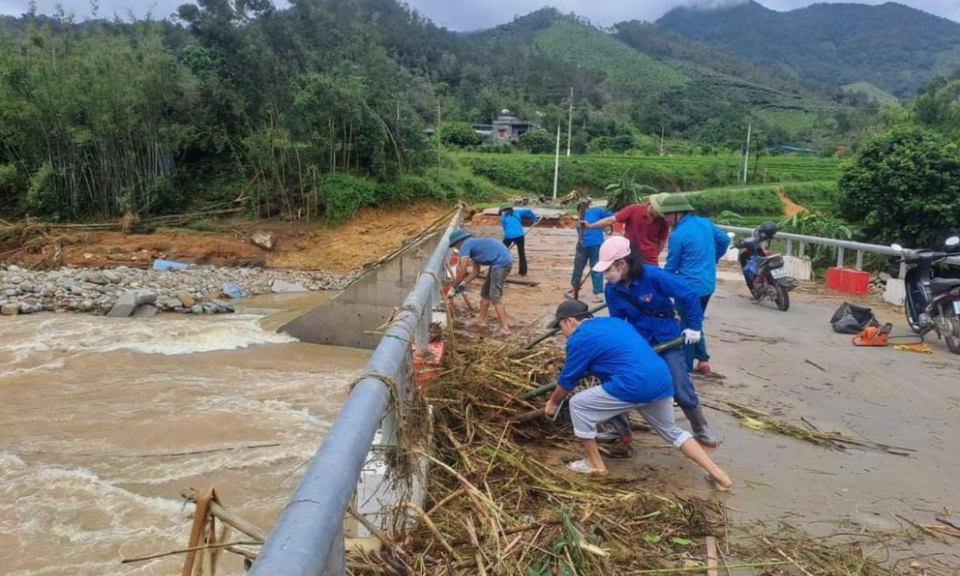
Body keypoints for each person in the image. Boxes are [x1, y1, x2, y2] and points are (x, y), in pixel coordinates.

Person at [542, 299, 732, 488]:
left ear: (570, 321)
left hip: (633, 384)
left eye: (561, 328)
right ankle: (718, 473)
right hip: (660, 378)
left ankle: (594, 463)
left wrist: (552, 402)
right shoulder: (615, 323)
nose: (563, 334)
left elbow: (567, 379)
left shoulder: (579, 338)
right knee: (672, 431)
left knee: (578, 404)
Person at [593, 235, 718, 447]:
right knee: (612, 376)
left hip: (666, 337)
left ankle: (701, 429)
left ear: (622, 264)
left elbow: (687, 294)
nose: (606, 276)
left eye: (608, 270)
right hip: (639, 341)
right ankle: (620, 429)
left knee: (679, 386)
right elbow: (618, 321)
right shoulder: (612, 290)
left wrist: (695, 326)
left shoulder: (653, 276)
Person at [651, 193, 731, 375]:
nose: (665, 219)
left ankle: (684, 369)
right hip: (707, 285)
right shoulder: (704, 223)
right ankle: (703, 361)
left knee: (687, 327)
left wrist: (659, 287)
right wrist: (714, 257)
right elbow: (725, 239)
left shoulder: (678, 235)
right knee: (695, 320)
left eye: (667, 215)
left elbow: (671, 266)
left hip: (688, 288)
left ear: (678, 213)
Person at [447, 229, 513, 336]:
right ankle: (481, 321)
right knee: (485, 293)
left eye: (455, 246)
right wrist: (464, 283)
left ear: (458, 242)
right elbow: (475, 271)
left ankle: (505, 328)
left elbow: (462, 271)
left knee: (495, 296)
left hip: (501, 263)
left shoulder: (465, 246)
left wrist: (453, 288)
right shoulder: (473, 246)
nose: (456, 249)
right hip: (497, 262)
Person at [583, 198, 668, 265]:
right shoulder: (633, 210)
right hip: (629, 256)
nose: (660, 216)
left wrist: (654, 255)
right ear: (653, 205)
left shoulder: (663, 221)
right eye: (659, 212)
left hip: (650, 260)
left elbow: (662, 242)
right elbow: (610, 220)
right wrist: (591, 226)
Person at [567, 199, 613, 303]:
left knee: (578, 267)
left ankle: (574, 292)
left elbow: (580, 233)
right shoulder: (597, 211)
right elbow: (611, 216)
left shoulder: (579, 219)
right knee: (596, 268)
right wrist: (603, 225)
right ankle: (596, 296)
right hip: (597, 244)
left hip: (584, 244)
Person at [499, 205, 538, 277]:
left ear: (503, 211)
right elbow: (529, 211)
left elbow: (505, 229)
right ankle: (523, 272)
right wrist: (535, 219)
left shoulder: (503, 218)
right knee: (521, 253)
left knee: (501, 251)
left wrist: (511, 238)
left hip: (509, 236)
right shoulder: (518, 212)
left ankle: (498, 267)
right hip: (520, 235)